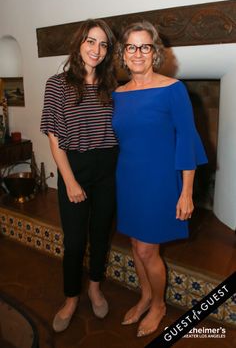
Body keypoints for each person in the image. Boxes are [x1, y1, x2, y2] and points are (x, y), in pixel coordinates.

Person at [112, 21, 208, 338]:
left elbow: (187, 141)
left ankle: (158, 306)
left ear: (154, 52)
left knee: (147, 251)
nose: (138, 53)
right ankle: (145, 296)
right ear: (123, 54)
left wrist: (187, 193)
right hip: (128, 180)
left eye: (145, 46)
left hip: (160, 181)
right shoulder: (117, 93)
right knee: (135, 244)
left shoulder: (173, 89)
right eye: (131, 47)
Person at [40, 19, 118, 332]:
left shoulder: (113, 86)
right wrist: (70, 181)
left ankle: (95, 286)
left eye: (103, 44)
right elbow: (54, 138)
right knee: (74, 242)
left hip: (108, 167)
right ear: (79, 44)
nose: (96, 49)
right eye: (90, 41)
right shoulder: (57, 84)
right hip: (74, 166)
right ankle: (71, 297)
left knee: (101, 234)